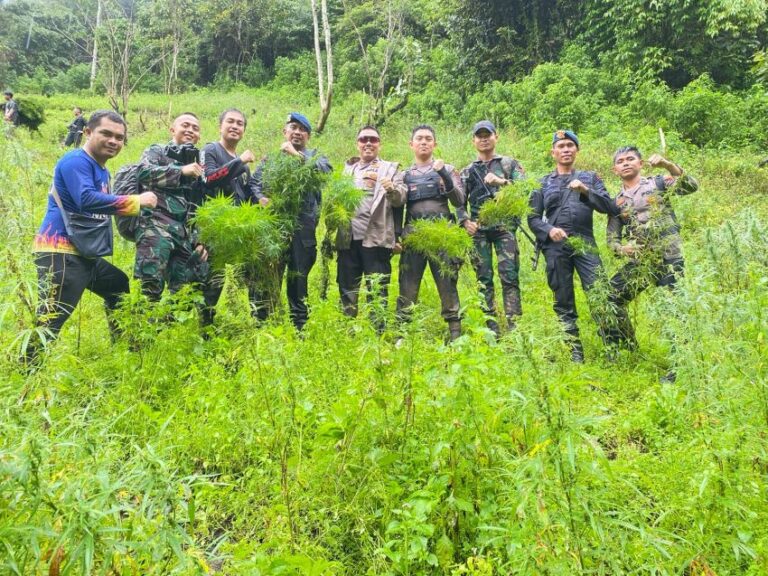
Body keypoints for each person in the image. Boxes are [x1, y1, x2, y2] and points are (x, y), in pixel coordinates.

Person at [28, 110, 157, 364]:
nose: (113, 141)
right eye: (106, 134)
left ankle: (123, 353)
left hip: (82, 253)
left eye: (119, 138)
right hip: (61, 251)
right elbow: (86, 199)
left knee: (117, 284)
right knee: (51, 320)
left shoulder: (101, 170)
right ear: (88, 132)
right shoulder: (76, 161)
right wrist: (135, 201)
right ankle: (25, 372)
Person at [527, 130, 618, 362]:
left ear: (577, 150)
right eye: (561, 146)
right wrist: (549, 230)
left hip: (585, 242)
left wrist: (586, 191)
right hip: (555, 247)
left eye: (570, 145)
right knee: (563, 298)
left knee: (599, 293)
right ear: (553, 152)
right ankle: (574, 352)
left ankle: (612, 348)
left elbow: (610, 206)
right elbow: (533, 218)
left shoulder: (591, 178)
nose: (566, 149)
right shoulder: (542, 183)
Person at [603, 147, 698, 362]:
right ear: (615, 169)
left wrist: (668, 164)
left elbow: (691, 186)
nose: (626, 163)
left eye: (630, 159)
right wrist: (622, 249)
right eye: (620, 161)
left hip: (669, 258)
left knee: (674, 309)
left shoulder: (659, 183)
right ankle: (629, 348)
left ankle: (681, 365)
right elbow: (612, 239)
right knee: (610, 296)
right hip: (642, 262)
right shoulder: (616, 202)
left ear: (641, 163)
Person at [252, 112, 332, 330]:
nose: (297, 132)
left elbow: (324, 174)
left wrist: (297, 156)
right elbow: (254, 183)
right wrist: (260, 198)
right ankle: (264, 327)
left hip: (302, 232)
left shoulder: (316, 157)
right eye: (293, 127)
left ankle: (300, 329)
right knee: (269, 278)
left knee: (299, 280)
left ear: (308, 136)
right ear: (284, 132)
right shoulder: (271, 159)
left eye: (302, 129)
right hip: (275, 230)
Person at [396, 124, 465, 341]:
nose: (424, 142)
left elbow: (459, 200)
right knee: (407, 285)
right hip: (414, 236)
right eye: (419, 138)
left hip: (442, 235)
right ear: (411, 144)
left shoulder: (449, 169)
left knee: (447, 284)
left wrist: (442, 172)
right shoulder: (405, 174)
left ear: (435, 143)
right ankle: (403, 334)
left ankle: (455, 333)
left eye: (428, 138)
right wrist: (396, 236)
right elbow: (397, 207)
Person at [459, 120, 526, 336]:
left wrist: (501, 182)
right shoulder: (468, 170)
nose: (484, 139)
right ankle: (491, 330)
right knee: (483, 279)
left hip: (505, 228)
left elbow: (525, 191)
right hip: (479, 231)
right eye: (479, 135)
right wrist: (464, 221)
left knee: (509, 276)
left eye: (488, 134)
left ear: (496, 137)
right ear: (473, 141)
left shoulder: (509, 164)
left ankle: (515, 328)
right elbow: (459, 201)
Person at [336, 125, 406, 329]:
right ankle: (348, 331)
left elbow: (401, 198)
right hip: (348, 239)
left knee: (378, 289)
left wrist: (391, 189)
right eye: (363, 139)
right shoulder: (347, 170)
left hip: (377, 238)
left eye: (373, 139)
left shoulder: (391, 169)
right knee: (347, 287)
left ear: (379, 144)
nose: (368, 143)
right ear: (357, 144)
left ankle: (378, 333)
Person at [133, 112, 207, 302]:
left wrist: (198, 240)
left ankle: (171, 329)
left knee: (184, 292)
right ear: (173, 129)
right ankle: (143, 329)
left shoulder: (198, 165)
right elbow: (143, 172)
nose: (190, 130)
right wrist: (180, 171)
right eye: (185, 125)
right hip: (155, 226)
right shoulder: (158, 150)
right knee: (150, 287)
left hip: (182, 235)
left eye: (195, 128)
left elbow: (197, 206)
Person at [199, 108, 261, 324]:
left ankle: (254, 321)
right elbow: (208, 179)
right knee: (212, 282)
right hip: (215, 228)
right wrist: (239, 162)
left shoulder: (242, 163)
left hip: (238, 230)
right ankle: (204, 327)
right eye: (230, 122)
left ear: (243, 130)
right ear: (220, 126)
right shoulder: (210, 150)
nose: (235, 126)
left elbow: (246, 196)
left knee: (250, 277)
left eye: (240, 123)